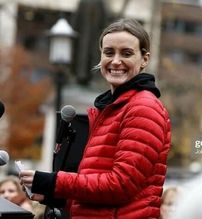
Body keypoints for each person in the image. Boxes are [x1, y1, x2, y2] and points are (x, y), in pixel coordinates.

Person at [19, 18, 171, 219]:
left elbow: (120, 185)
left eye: (126, 53)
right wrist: (55, 195)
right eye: (109, 52)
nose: (116, 61)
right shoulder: (112, 107)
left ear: (144, 59)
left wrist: (53, 182)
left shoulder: (143, 108)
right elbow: (99, 192)